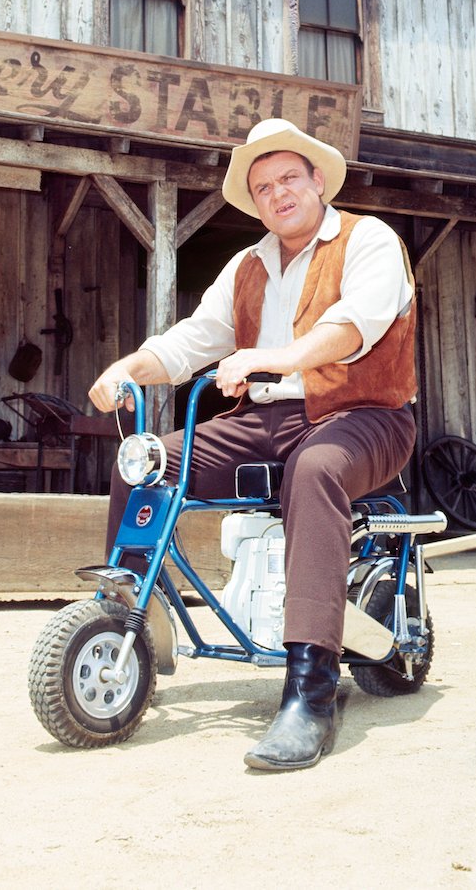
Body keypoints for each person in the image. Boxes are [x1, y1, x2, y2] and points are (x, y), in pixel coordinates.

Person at [88, 118, 417, 771]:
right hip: (264, 422)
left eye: (289, 177)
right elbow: (192, 340)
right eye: (263, 186)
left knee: (315, 469)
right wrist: (128, 367)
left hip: (363, 414)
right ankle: (131, 629)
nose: (278, 193)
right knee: (145, 461)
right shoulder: (249, 266)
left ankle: (309, 690)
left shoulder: (367, 241)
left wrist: (276, 356)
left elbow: (352, 326)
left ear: (318, 180)